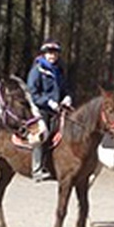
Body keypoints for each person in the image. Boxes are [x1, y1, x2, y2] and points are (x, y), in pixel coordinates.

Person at [26, 39, 71, 182]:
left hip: (58, 109)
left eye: (55, 53)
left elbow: (65, 89)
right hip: (40, 109)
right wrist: (48, 102)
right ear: (44, 54)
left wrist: (67, 97)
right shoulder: (37, 70)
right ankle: (37, 168)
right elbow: (33, 93)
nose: (53, 56)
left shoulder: (59, 70)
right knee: (42, 133)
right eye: (50, 53)